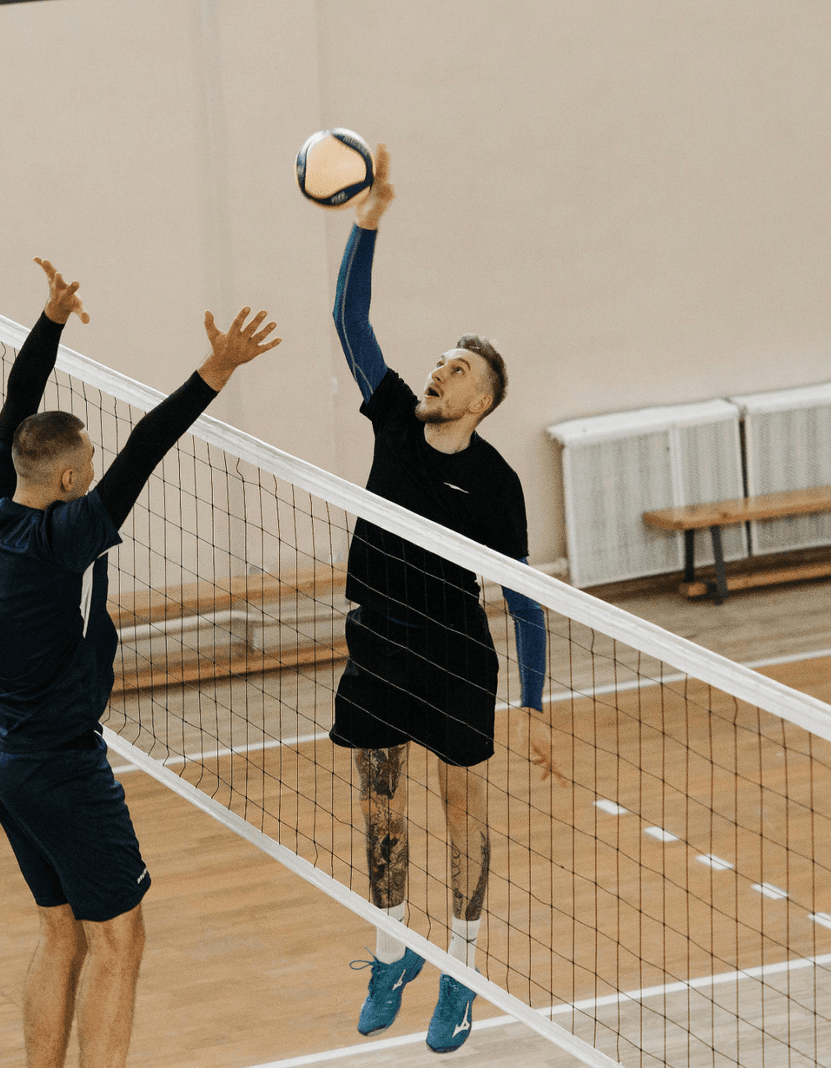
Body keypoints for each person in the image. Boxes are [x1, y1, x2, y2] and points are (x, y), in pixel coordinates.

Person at [0, 258, 280, 1068]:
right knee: (120, 944)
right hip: (59, 768)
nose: (98, 474)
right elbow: (149, 445)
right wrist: (216, 370)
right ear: (70, 479)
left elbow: (16, 407)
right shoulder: (64, 535)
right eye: (89, 468)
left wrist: (52, 322)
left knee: (61, 934)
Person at [328, 145, 562, 1055]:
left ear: (485, 398)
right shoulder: (393, 417)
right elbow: (348, 317)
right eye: (440, 361)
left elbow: (527, 600)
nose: (440, 369)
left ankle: (460, 971)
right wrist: (369, 217)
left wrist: (535, 706)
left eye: (459, 368)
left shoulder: (498, 483)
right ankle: (394, 954)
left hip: (458, 657)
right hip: (376, 644)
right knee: (380, 806)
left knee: (464, 811)